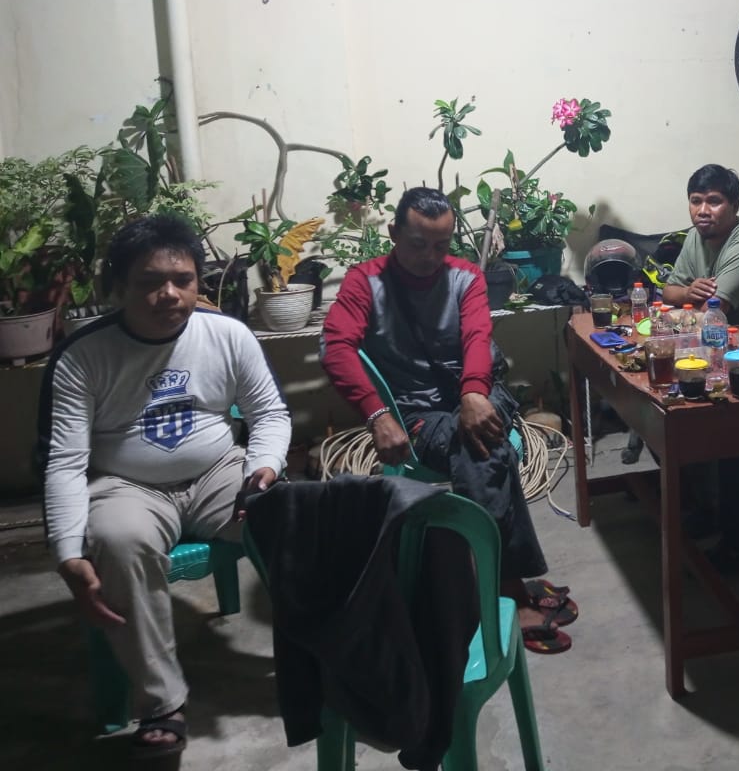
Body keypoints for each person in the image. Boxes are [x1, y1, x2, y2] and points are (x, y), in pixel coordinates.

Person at [40, 215, 291, 758]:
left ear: (200, 280)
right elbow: (64, 462)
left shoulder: (227, 335)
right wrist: (66, 552)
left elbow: (270, 414)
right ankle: (161, 702)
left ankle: (317, 659)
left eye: (183, 279)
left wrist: (265, 467)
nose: (169, 294)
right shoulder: (83, 355)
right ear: (118, 287)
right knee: (119, 540)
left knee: (294, 516)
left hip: (220, 472)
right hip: (127, 485)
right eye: (150, 282)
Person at [320, 186, 574, 653]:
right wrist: (377, 414)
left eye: (441, 245)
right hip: (416, 412)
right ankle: (503, 588)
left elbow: (477, 334)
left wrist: (474, 391)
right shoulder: (365, 282)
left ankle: (497, 580)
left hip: (474, 392)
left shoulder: (464, 277)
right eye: (418, 244)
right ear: (394, 233)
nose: (430, 257)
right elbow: (336, 348)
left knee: (484, 434)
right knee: (486, 449)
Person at [662, 164, 739, 571]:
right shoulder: (696, 238)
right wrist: (686, 290)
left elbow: (712, 312)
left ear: (734, 205)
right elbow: (669, 290)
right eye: (696, 201)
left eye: (714, 201)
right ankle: (708, 511)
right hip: (717, 353)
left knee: (733, 430)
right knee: (668, 408)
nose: (703, 210)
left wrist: (685, 302)